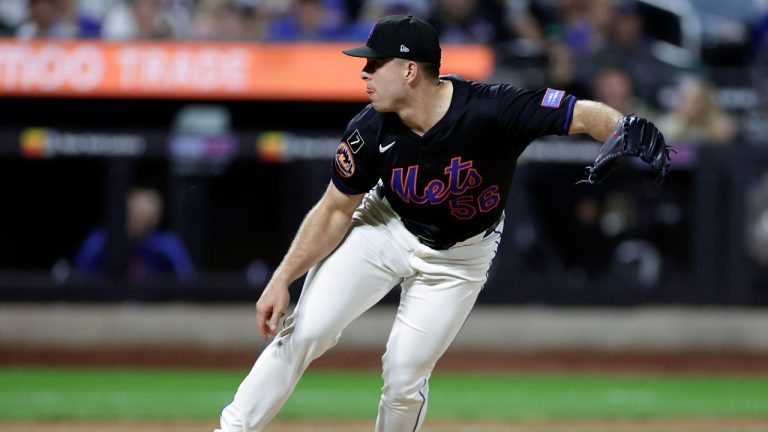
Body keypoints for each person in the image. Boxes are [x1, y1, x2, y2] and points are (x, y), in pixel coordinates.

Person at [215, 15, 665, 432]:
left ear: (410, 70)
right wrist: (282, 278)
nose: (364, 73)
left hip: (460, 256)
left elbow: (582, 114)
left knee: (404, 376)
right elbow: (335, 209)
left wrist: (621, 126)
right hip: (382, 227)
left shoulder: (492, 109)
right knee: (308, 328)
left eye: (375, 64)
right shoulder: (369, 129)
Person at [75, 187, 195, 280]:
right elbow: (79, 276)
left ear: (156, 219)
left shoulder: (166, 245)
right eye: (135, 214)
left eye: (146, 216)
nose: (140, 221)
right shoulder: (101, 240)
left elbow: (187, 280)